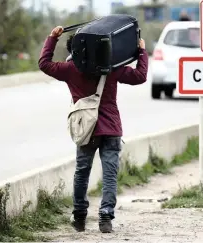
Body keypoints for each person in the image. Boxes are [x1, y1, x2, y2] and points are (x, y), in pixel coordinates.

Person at [38, 26, 148, 233]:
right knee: (109, 174)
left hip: (86, 129)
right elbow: (140, 76)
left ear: (75, 50)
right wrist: (142, 51)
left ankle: (79, 217)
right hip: (111, 128)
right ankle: (106, 217)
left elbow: (44, 64)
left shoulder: (70, 70)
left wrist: (52, 38)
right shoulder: (112, 68)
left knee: (82, 172)